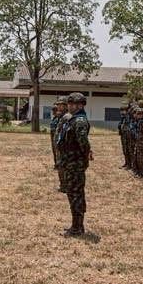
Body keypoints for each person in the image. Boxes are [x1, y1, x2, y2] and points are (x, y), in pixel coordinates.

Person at [55, 92, 93, 236]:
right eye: (69, 104)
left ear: (81, 105)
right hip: (69, 162)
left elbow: (83, 143)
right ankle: (75, 225)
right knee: (72, 193)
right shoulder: (72, 119)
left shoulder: (80, 121)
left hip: (75, 163)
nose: (71, 106)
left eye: (74, 104)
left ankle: (78, 227)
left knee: (76, 194)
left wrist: (82, 159)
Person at [48, 96, 67, 192]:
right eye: (58, 105)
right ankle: (63, 185)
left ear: (66, 106)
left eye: (61, 105)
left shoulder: (67, 117)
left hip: (64, 146)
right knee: (60, 166)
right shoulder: (60, 117)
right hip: (59, 144)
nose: (58, 107)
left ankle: (65, 186)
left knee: (64, 166)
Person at [131, 105, 143, 178]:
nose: (137, 115)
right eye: (137, 114)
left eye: (139, 114)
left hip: (142, 144)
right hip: (138, 143)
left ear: (142, 115)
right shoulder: (139, 122)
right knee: (137, 158)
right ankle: (139, 172)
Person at [117, 103, 131, 169]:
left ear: (126, 111)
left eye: (123, 110)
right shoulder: (123, 118)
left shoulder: (128, 117)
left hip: (127, 136)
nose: (121, 112)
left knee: (127, 150)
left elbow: (128, 127)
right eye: (121, 111)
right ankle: (126, 163)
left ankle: (129, 164)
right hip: (123, 136)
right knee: (124, 150)